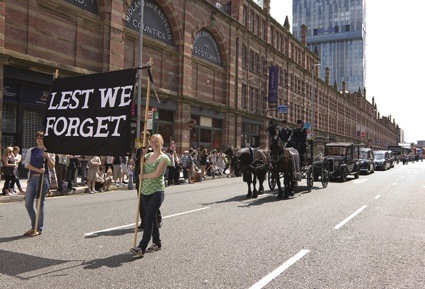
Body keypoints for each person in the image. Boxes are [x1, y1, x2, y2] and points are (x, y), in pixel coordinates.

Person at [130, 134, 171, 258]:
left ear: (161, 142)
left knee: (147, 218)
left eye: (156, 141)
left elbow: (156, 174)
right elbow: (140, 169)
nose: (154, 143)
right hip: (145, 191)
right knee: (152, 218)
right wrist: (141, 158)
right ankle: (157, 243)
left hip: (157, 191)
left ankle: (141, 247)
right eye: (152, 141)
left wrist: (143, 176)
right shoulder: (147, 156)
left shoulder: (164, 158)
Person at [23, 131, 55, 236]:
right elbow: (26, 164)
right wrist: (38, 170)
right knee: (28, 204)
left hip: (43, 179)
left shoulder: (49, 151)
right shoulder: (31, 150)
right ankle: (34, 226)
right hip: (32, 179)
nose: (39, 139)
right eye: (37, 137)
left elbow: (52, 166)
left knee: (39, 204)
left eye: (41, 137)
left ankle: (38, 228)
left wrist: (48, 157)